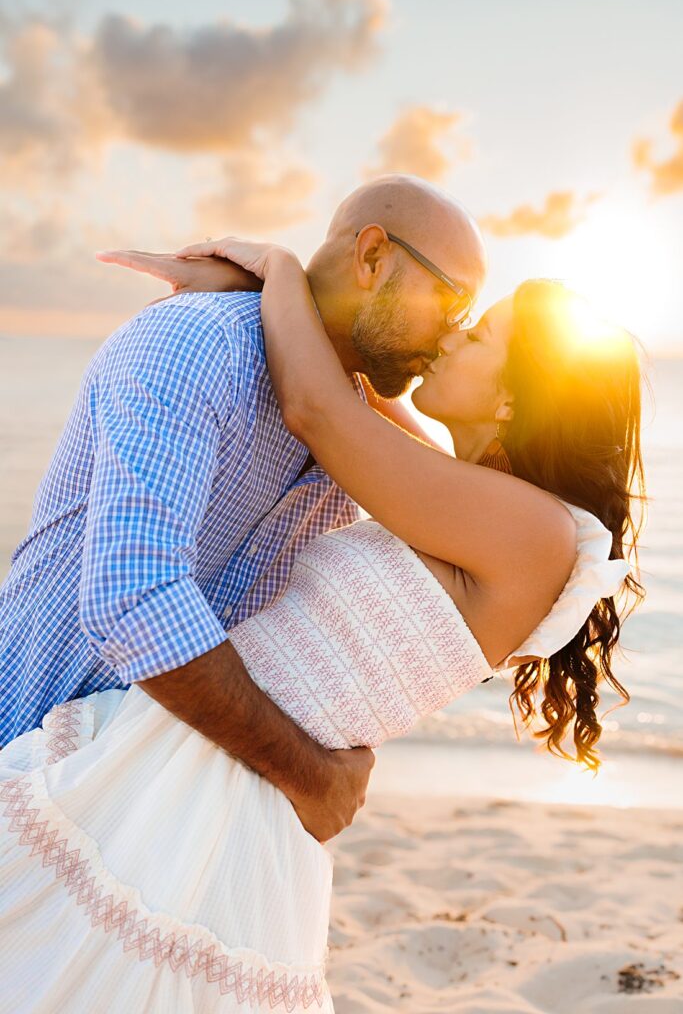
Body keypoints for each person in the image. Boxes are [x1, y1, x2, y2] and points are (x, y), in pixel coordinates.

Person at [0, 230, 643, 1013]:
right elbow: (351, 390)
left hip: (225, 783)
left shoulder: (528, 531)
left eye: (475, 334)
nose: (448, 335)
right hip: (197, 752)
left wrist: (276, 266)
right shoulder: (459, 491)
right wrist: (253, 292)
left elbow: (319, 409)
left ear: (510, 396)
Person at [0, 175, 487, 843]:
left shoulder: (345, 418)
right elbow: (133, 598)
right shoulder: (200, 345)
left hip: (137, 809)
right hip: (25, 755)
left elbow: (467, 500)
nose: (452, 331)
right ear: (372, 258)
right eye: (452, 298)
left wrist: (281, 279)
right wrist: (308, 774)